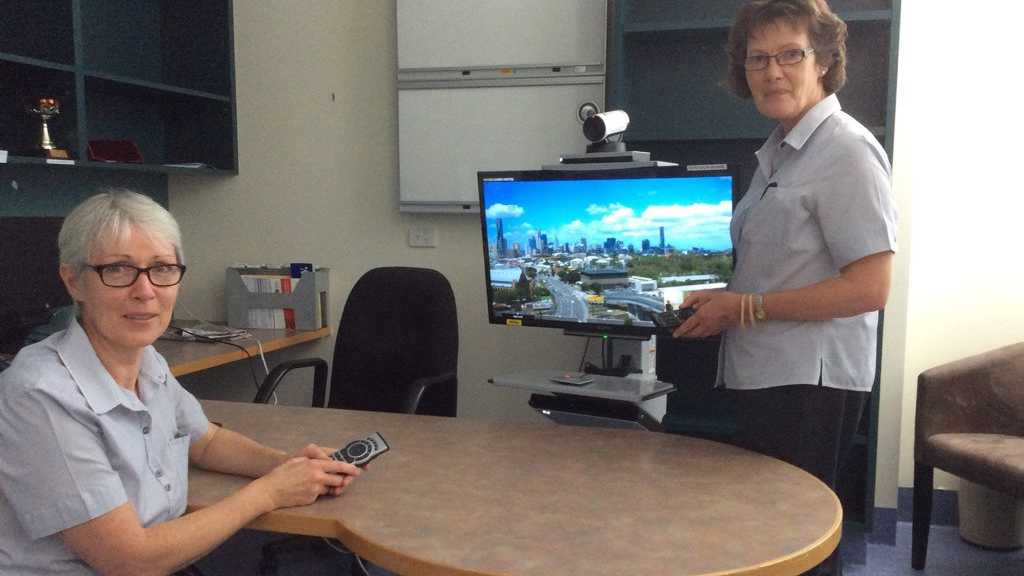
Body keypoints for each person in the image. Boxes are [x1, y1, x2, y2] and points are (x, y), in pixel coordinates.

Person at [0, 190, 362, 575]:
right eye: (118, 270)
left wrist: (286, 465)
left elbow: (205, 441)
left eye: (162, 268)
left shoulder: (146, 361)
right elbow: (129, 561)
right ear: (73, 282)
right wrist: (270, 492)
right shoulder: (40, 395)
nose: (145, 291)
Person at [672, 1, 897, 573]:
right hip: (769, 371)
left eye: (790, 54)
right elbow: (778, 264)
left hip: (810, 380)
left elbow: (870, 287)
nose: (773, 71)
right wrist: (720, 301)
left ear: (822, 60)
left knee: (795, 539)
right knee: (769, 534)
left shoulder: (846, 150)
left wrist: (742, 307)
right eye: (758, 59)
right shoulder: (779, 152)